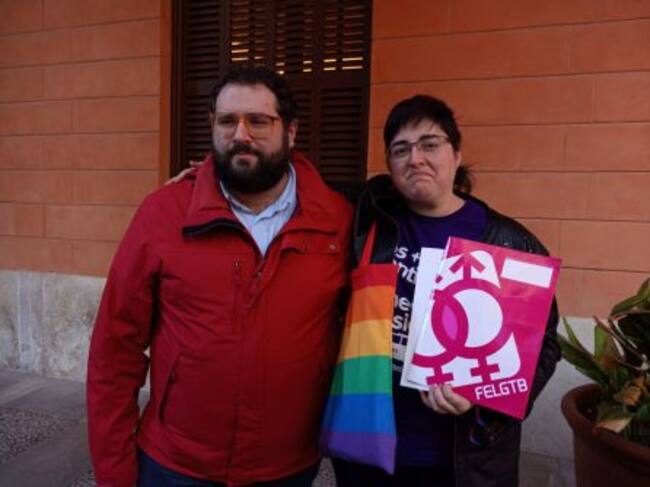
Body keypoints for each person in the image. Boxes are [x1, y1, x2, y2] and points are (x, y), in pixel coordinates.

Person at [86, 65, 353, 487]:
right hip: (176, 465)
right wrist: (114, 473)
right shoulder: (164, 212)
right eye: (227, 121)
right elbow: (114, 351)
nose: (240, 135)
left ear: (291, 131)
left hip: (286, 467)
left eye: (259, 121)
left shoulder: (338, 220)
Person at [330, 95, 560, 487]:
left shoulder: (509, 243)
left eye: (430, 144)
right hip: (368, 448)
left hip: (461, 459)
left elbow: (544, 347)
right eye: (401, 149)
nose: (415, 158)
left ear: (456, 154)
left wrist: (480, 396)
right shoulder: (370, 222)